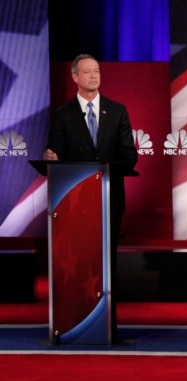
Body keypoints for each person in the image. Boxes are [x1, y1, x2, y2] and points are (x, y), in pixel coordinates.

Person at [43, 54, 138, 343]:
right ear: (75, 77)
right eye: (87, 72)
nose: (94, 76)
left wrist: (107, 168)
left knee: (107, 264)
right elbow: (54, 154)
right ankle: (74, 324)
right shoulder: (62, 115)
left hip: (108, 200)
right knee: (77, 263)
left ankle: (108, 327)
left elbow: (129, 155)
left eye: (96, 71)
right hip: (74, 204)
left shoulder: (117, 111)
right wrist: (52, 158)